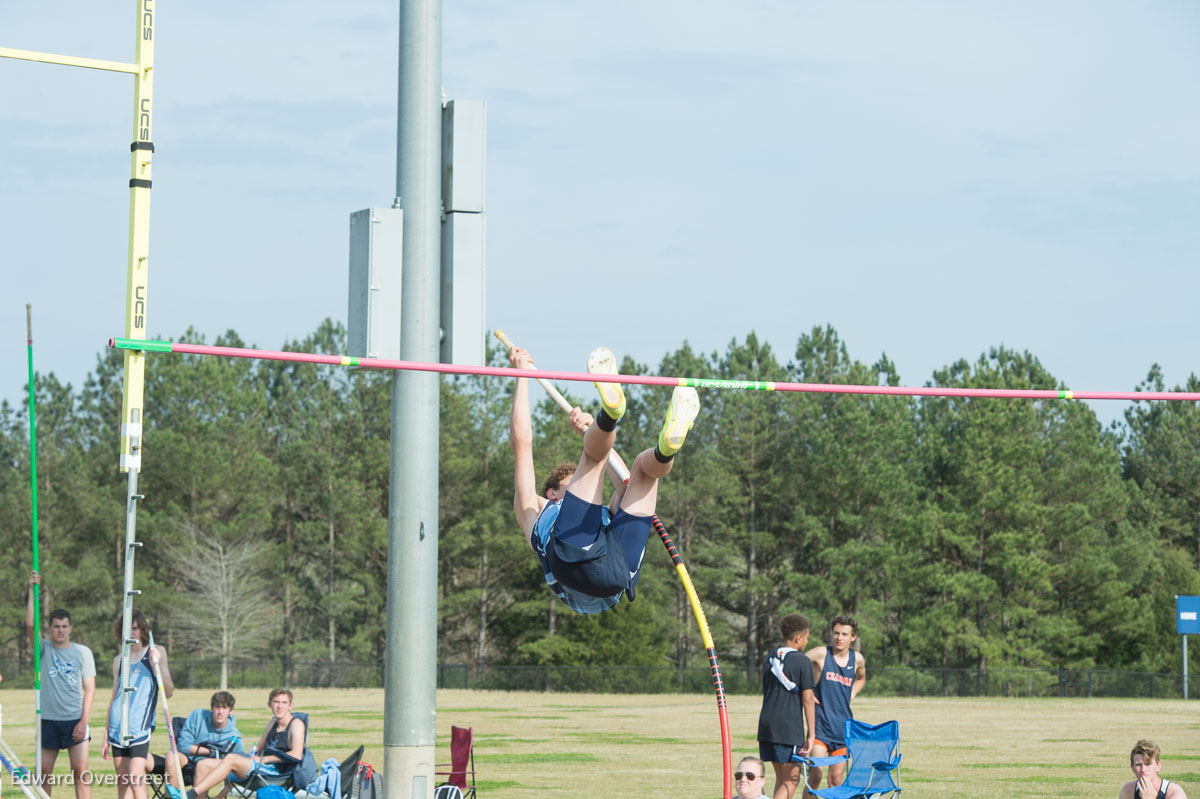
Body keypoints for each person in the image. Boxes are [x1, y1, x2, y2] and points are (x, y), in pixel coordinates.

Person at [509, 344, 701, 614]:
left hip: (616, 572)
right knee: (595, 458)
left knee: (640, 473)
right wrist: (522, 377)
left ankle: (663, 447)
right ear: (552, 493)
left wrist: (595, 432)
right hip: (590, 565)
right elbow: (522, 443)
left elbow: (624, 482)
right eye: (571, 480)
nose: (581, 483)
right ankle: (609, 416)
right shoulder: (533, 509)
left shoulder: (603, 518)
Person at [26, 571, 96, 799]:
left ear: (70, 628)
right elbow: (29, 625)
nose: (60, 630)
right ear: (49, 629)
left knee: (80, 771)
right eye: (56, 626)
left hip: (75, 719)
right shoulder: (44, 649)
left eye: (64, 626)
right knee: (44, 772)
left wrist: (84, 722)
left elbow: (90, 689)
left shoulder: (82, 653)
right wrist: (31, 590)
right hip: (48, 719)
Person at [185, 688, 306, 799]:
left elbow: (296, 755)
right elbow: (258, 748)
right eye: (276, 702)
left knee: (231, 758)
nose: (280, 706)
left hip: (276, 774)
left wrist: (264, 760)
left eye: (284, 703)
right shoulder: (273, 722)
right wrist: (250, 756)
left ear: (291, 706)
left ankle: (190, 794)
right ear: (269, 704)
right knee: (203, 764)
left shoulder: (296, 724)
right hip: (259, 767)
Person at [102, 610, 173, 799]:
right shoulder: (119, 660)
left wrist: (157, 666)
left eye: (135, 628)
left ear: (142, 630)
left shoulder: (156, 652)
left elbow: (169, 691)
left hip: (140, 727)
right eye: (127, 629)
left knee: (135, 775)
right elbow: (113, 698)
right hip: (118, 727)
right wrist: (105, 734)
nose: (131, 633)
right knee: (123, 781)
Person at [805, 614, 867, 793]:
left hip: (842, 729)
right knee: (815, 775)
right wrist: (806, 692)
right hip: (820, 728)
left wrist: (853, 692)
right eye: (836, 633)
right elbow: (795, 662)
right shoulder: (821, 654)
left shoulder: (858, 659)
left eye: (844, 634)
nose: (839, 637)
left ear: (853, 637)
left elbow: (861, 678)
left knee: (835, 779)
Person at [757, 614, 816, 799]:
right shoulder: (802, 661)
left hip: (766, 726)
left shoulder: (770, 659)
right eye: (807, 638)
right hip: (787, 728)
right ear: (798, 637)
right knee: (792, 780)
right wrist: (811, 735)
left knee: (781, 779)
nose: (807, 641)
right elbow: (808, 699)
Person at [163, 691, 245, 794]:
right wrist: (209, 751)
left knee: (203, 765)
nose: (220, 711)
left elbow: (240, 768)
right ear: (212, 709)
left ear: (231, 711)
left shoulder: (234, 735)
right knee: (172, 755)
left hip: (210, 769)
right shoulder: (197, 716)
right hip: (189, 761)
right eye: (217, 707)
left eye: (224, 708)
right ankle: (171, 796)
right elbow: (183, 746)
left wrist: (220, 796)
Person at [1119, 740, 1188, 799]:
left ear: (1158, 766)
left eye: (1148, 764)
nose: (1143, 769)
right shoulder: (1128, 790)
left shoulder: (1174, 793)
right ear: (1132, 768)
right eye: (1138, 765)